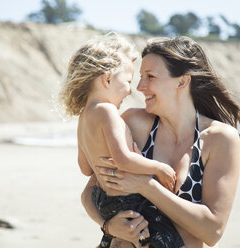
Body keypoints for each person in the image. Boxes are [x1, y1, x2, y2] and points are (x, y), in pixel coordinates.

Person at [81, 36, 240, 247]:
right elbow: (89, 192)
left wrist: (146, 185)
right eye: (140, 77)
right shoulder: (133, 123)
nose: (140, 87)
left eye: (150, 76)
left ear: (182, 81)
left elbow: (212, 231)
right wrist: (108, 226)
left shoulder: (219, 139)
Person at [59, 33, 185, 248]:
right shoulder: (106, 111)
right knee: (170, 237)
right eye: (127, 81)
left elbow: (85, 168)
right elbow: (124, 160)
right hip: (127, 200)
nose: (130, 90)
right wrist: (159, 167)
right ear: (107, 79)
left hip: (103, 200)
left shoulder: (84, 116)